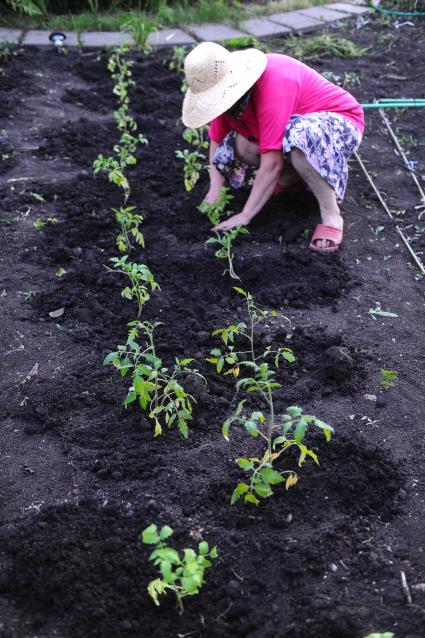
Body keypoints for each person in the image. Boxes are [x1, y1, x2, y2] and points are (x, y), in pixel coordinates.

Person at [181, 41, 364, 254]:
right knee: (239, 145)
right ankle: (289, 180)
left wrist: (245, 215)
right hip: (293, 131)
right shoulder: (227, 101)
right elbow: (216, 140)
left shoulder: (273, 85)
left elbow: (272, 161)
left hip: (339, 124)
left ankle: (331, 214)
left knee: (298, 136)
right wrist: (215, 190)